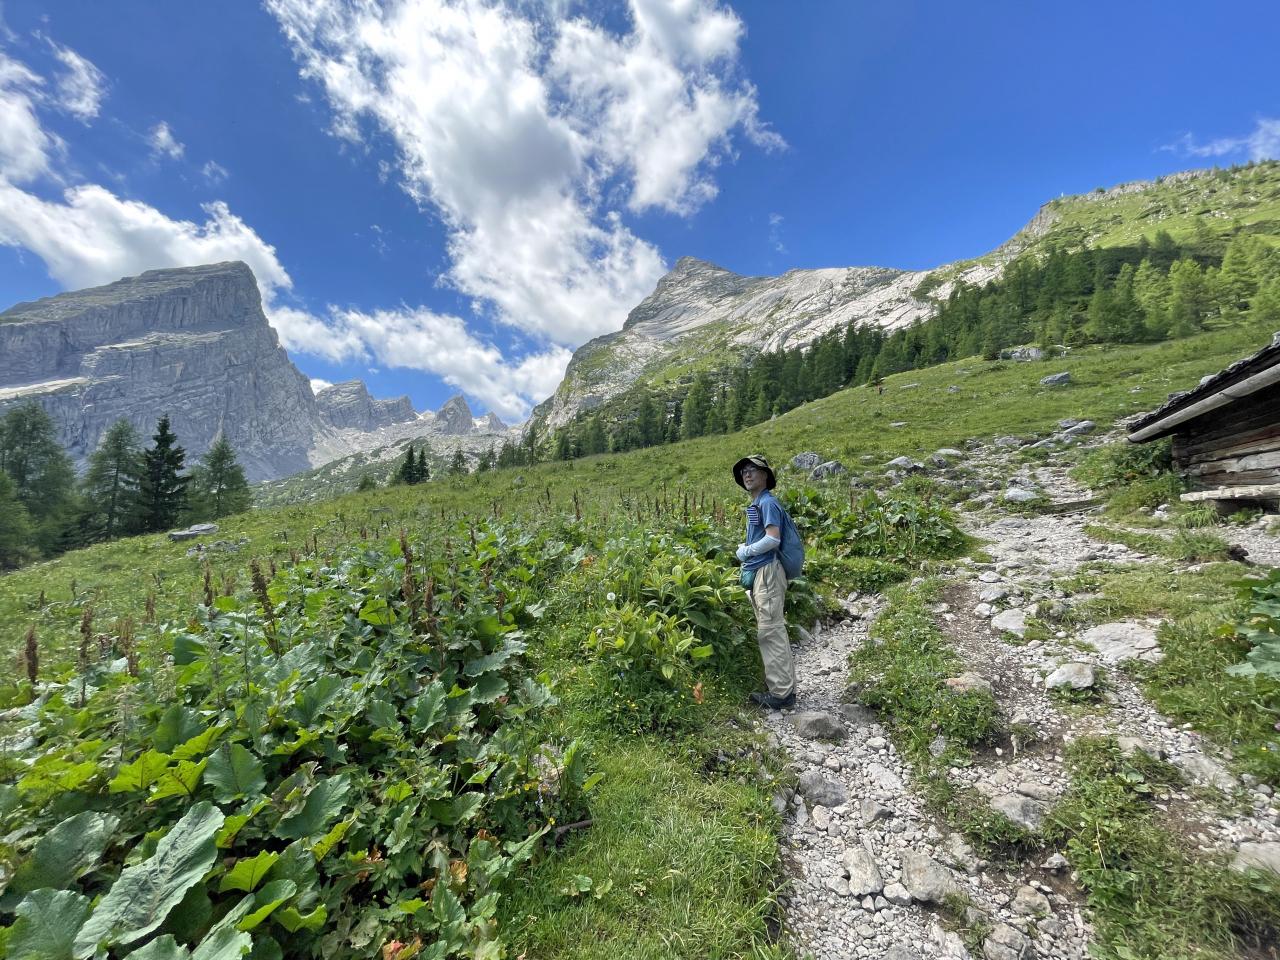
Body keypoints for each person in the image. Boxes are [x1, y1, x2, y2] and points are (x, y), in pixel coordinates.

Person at [732, 454, 797, 709]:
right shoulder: (760, 503)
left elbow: (772, 539)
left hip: (768, 571)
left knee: (770, 630)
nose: (747, 474)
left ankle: (781, 694)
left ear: (765, 476)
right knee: (773, 628)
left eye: (753, 470)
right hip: (765, 570)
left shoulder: (767, 502)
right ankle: (785, 688)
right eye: (744, 471)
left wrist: (745, 552)